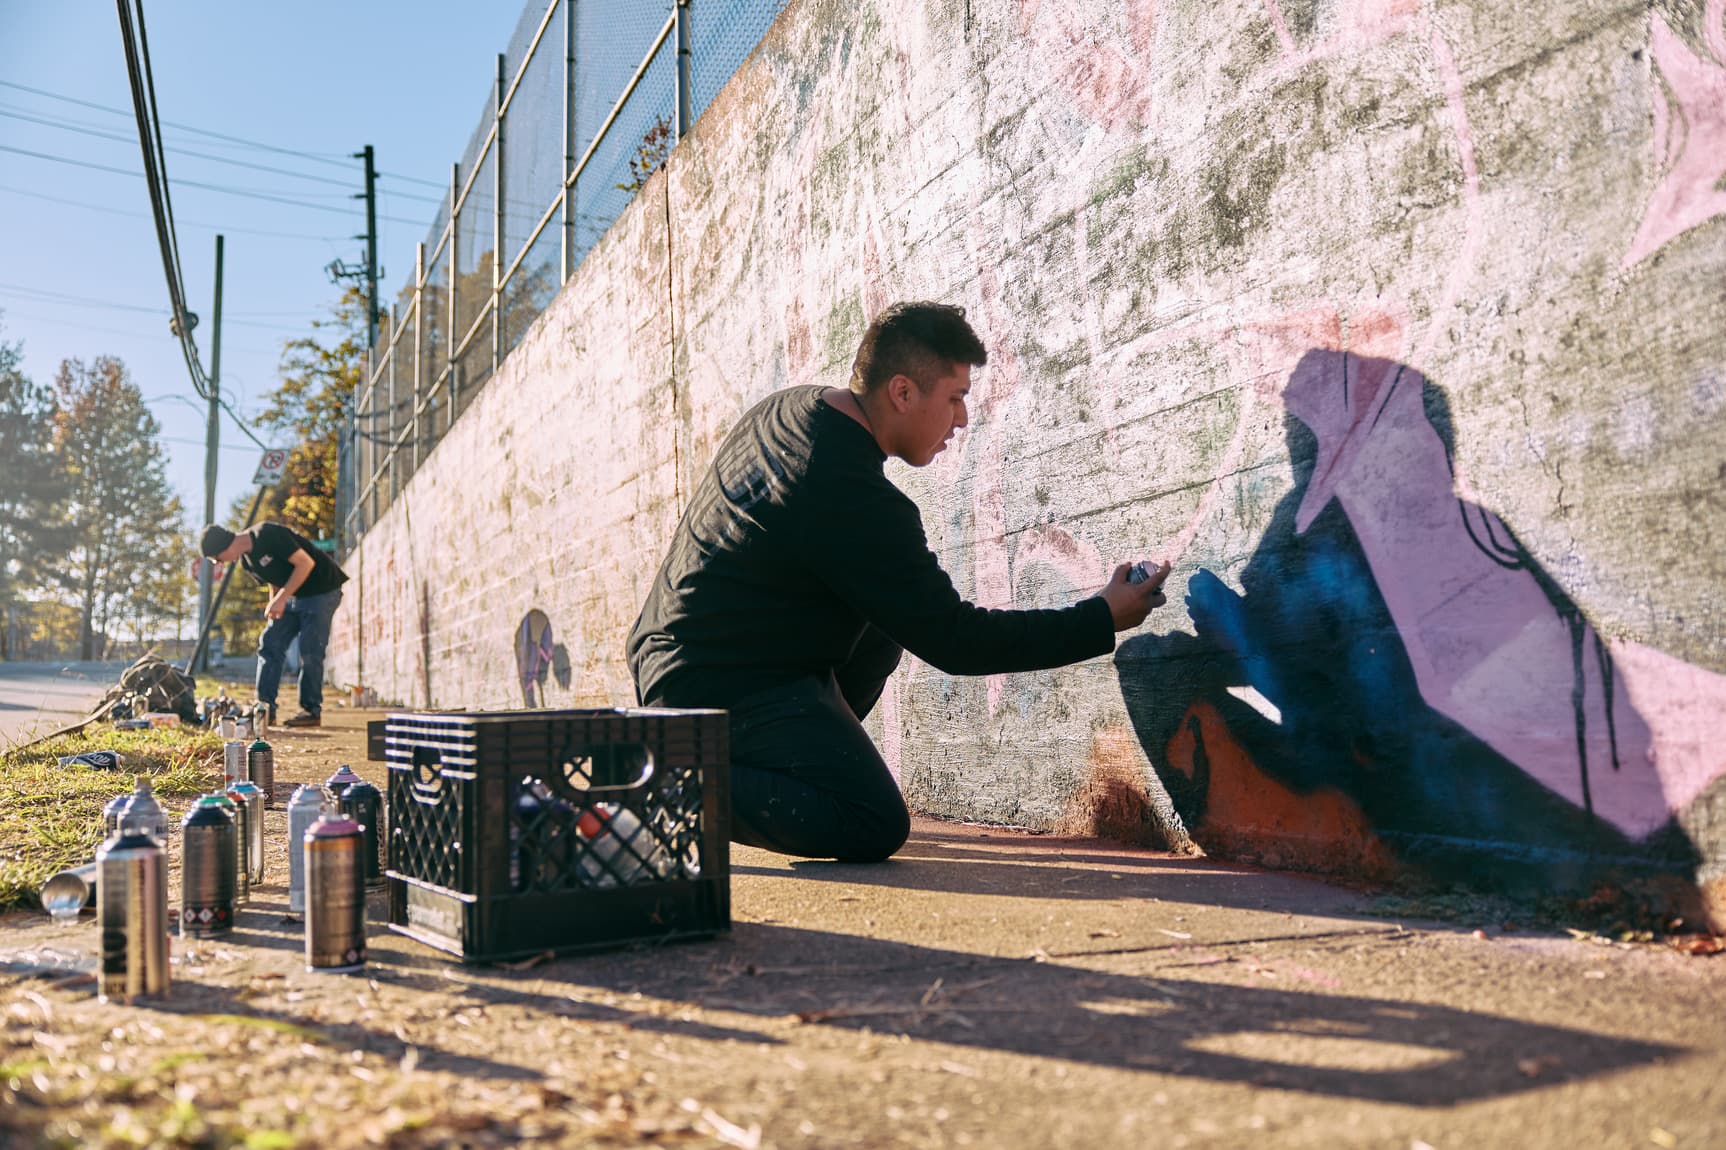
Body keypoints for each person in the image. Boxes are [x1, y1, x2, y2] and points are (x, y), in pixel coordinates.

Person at [627, 301, 1170, 862]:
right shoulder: (853, 497)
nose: (962, 420)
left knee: (886, 624)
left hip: (680, 655)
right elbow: (956, 641)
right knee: (871, 820)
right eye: (955, 398)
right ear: (903, 392)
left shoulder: (793, 408)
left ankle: (778, 764)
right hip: (711, 691)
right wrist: (1102, 617)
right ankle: (660, 782)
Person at [199, 521, 348, 729]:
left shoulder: (266, 533)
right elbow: (274, 580)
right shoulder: (248, 562)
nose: (218, 563)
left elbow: (305, 564)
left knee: (310, 648)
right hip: (295, 595)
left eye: (216, 559)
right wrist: (274, 604)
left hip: (322, 589)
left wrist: (281, 598)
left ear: (223, 546)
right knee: (270, 642)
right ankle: (265, 708)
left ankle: (311, 710)